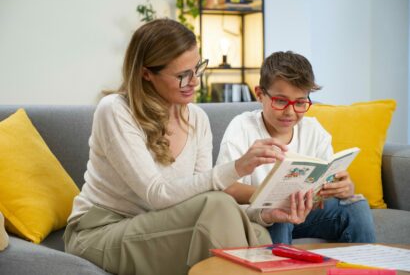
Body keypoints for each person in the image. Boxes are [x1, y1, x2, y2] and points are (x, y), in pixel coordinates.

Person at [63, 19, 293, 275]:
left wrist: (267, 213)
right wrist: (237, 168)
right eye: (183, 75)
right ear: (146, 72)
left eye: (197, 69)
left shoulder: (197, 119)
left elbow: (199, 196)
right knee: (218, 207)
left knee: (256, 229)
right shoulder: (116, 110)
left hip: (162, 223)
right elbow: (157, 194)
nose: (195, 82)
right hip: (101, 230)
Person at [216, 51, 376, 244]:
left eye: (300, 102)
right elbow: (226, 187)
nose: (290, 112)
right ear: (260, 94)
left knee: (356, 206)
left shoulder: (314, 130)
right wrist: (275, 198)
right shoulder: (241, 128)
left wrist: (344, 188)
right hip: (263, 214)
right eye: (281, 101)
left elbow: (326, 184)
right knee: (282, 213)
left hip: (308, 212)